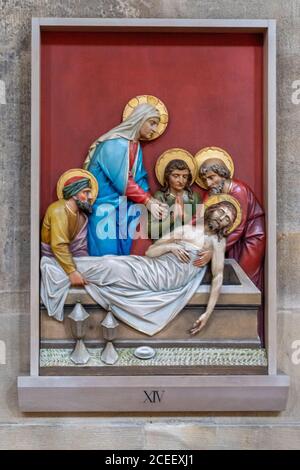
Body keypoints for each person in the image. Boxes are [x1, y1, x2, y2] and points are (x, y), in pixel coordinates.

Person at [40, 195, 242, 335]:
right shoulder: (185, 230)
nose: (222, 219)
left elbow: (218, 277)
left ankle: (57, 269)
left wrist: (207, 312)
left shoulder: (217, 243)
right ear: (213, 210)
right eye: (221, 212)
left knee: (110, 265)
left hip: (163, 279)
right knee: (110, 262)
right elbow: (150, 252)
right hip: (152, 267)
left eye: (227, 219)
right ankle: (59, 268)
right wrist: (170, 247)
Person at [83, 96, 169, 257]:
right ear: (139, 119)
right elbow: (123, 182)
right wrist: (148, 201)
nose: (154, 129)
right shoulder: (114, 143)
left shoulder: (135, 146)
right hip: (104, 206)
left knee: (125, 255)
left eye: (157, 125)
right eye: (152, 123)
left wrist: (154, 200)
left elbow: (140, 179)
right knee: (107, 257)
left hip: (123, 207)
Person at [195, 147, 265, 290]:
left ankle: (250, 312)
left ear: (223, 174)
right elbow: (200, 216)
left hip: (251, 236)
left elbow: (239, 227)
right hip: (229, 236)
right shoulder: (213, 192)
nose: (208, 183)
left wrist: (215, 250)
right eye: (205, 180)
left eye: (211, 177)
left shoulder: (239, 190)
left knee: (245, 277)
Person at [41, 169, 98, 290]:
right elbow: (59, 245)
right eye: (86, 192)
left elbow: (80, 248)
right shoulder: (58, 210)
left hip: (73, 261)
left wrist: (87, 264)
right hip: (55, 261)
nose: (91, 196)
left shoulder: (81, 216)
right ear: (74, 194)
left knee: (107, 265)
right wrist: (72, 273)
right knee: (109, 268)